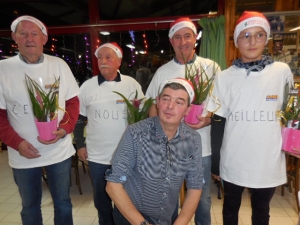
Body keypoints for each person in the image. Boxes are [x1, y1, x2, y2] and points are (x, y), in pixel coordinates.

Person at [206, 11, 293, 225]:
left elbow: (291, 113)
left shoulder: (281, 71)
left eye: (259, 35)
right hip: (234, 158)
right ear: (236, 41)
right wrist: (216, 163)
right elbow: (218, 121)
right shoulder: (224, 77)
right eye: (245, 35)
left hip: (268, 159)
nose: (252, 41)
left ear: (267, 38)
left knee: (262, 212)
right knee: (230, 209)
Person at [0, 15, 80, 225]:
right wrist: (17, 143)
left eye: (34, 33)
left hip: (58, 151)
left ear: (44, 38)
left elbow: (73, 102)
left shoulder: (59, 65)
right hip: (23, 155)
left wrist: (64, 129)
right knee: (30, 206)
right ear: (14, 38)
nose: (29, 38)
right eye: (23, 33)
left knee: (63, 202)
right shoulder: (3, 70)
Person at [145, 17, 220, 225]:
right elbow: (152, 106)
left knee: (202, 200)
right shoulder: (163, 72)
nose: (183, 41)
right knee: (168, 199)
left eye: (187, 36)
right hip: (169, 148)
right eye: (177, 37)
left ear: (195, 38)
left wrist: (208, 119)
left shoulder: (211, 68)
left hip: (201, 148)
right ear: (171, 42)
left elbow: (220, 106)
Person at [106, 78, 203, 225]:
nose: (170, 106)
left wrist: (181, 222)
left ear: (188, 110)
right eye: (166, 99)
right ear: (157, 102)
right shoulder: (135, 133)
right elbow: (113, 185)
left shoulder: (193, 139)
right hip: (132, 217)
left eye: (179, 102)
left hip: (167, 217)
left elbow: (195, 185)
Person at [73, 42, 144, 225]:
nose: (103, 61)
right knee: (101, 201)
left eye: (108, 57)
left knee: (124, 202)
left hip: (127, 155)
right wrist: (80, 144)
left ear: (119, 61)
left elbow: (142, 116)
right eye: (99, 58)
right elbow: (79, 119)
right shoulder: (87, 87)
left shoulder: (132, 84)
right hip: (97, 156)